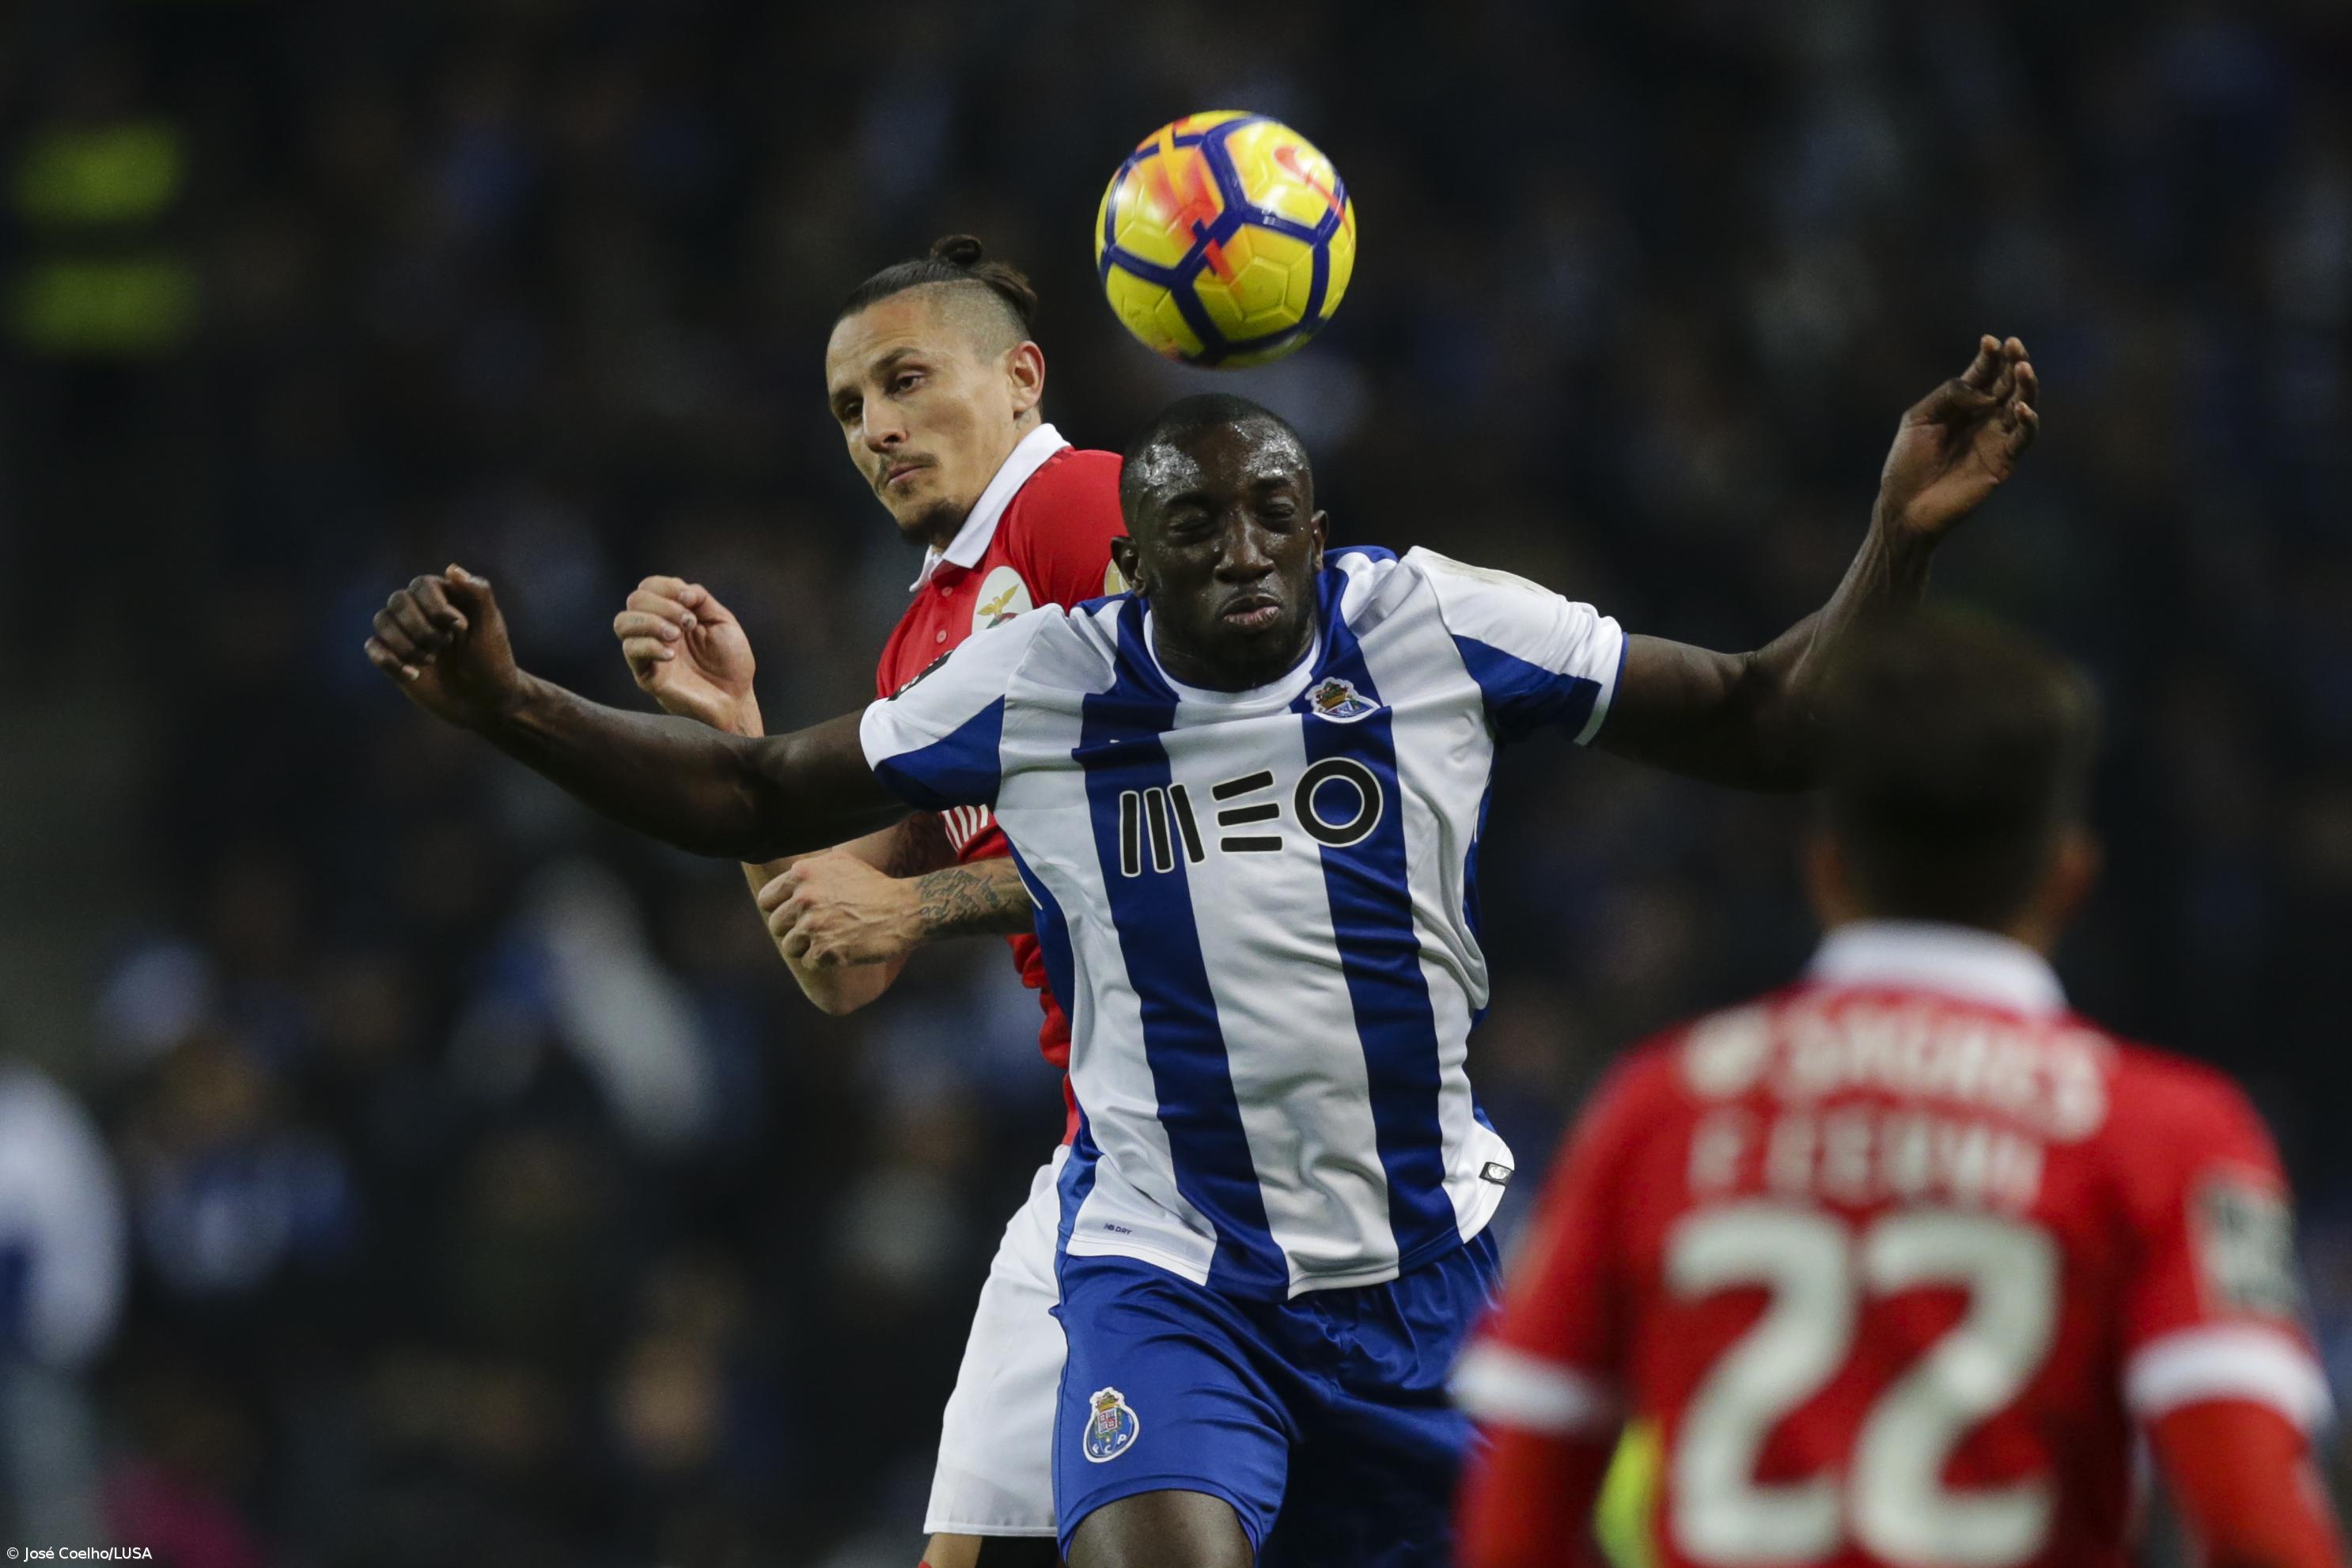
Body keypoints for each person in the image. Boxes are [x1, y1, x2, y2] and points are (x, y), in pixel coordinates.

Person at [362, 334, 2039, 1567]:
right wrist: (512, 706)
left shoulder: (1430, 623)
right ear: (1131, 559)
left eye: (1273, 517)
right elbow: (751, 790)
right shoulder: (1049, 681)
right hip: (1177, 1274)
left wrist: (1897, 533)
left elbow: (1764, 719)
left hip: (1427, 1284)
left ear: (1318, 529)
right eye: (1197, 529)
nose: (1242, 552)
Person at [1452, 612, 2345, 1568]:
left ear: (1826, 870)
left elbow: (1512, 1528)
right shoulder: (2173, 1134)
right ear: (2069, 877)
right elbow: (2256, 1525)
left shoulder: (1653, 1110)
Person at [610, 235, 1123, 1568]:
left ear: (1019, 377)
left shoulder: (1083, 509)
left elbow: (1198, 822)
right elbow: (839, 967)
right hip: (1104, 1154)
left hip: (1251, 1143)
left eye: (904, 381)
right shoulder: (920, 638)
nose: (875, 429)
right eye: (848, 408)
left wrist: (921, 906)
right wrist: (738, 732)